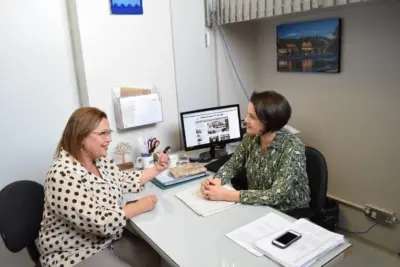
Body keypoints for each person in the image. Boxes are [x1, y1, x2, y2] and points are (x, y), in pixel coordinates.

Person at [38, 107, 169, 267]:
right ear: (81, 137)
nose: (109, 139)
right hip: (74, 251)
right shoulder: (61, 175)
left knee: (153, 258)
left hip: (107, 238)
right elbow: (98, 222)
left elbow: (123, 179)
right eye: (102, 134)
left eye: (109, 133)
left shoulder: (100, 159)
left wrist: (157, 169)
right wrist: (138, 207)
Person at [200, 91, 311, 212]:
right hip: (257, 206)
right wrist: (215, 183)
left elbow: (276, 195)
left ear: (269, 123)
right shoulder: (251, 137)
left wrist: (225, 195)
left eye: (252, 117)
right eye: (248, 115)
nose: (245, 120)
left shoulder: (292, 146)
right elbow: (233, 165)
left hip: (287, 213)